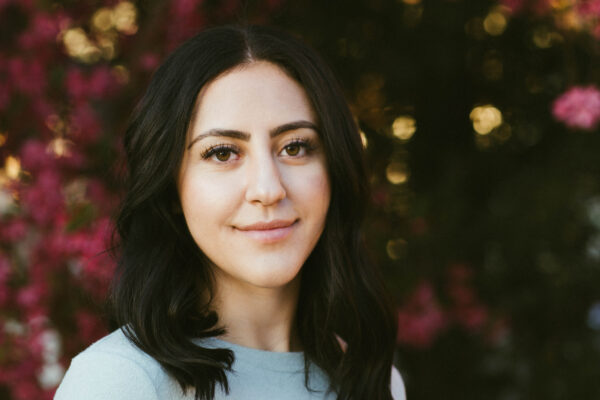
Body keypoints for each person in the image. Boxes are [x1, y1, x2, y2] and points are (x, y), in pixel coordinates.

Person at [54, 25, 406, 400]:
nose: (268, 189)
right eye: (222, 152)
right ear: (171, 187)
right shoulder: (121, 381)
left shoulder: (373, 378)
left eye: (295, 147)